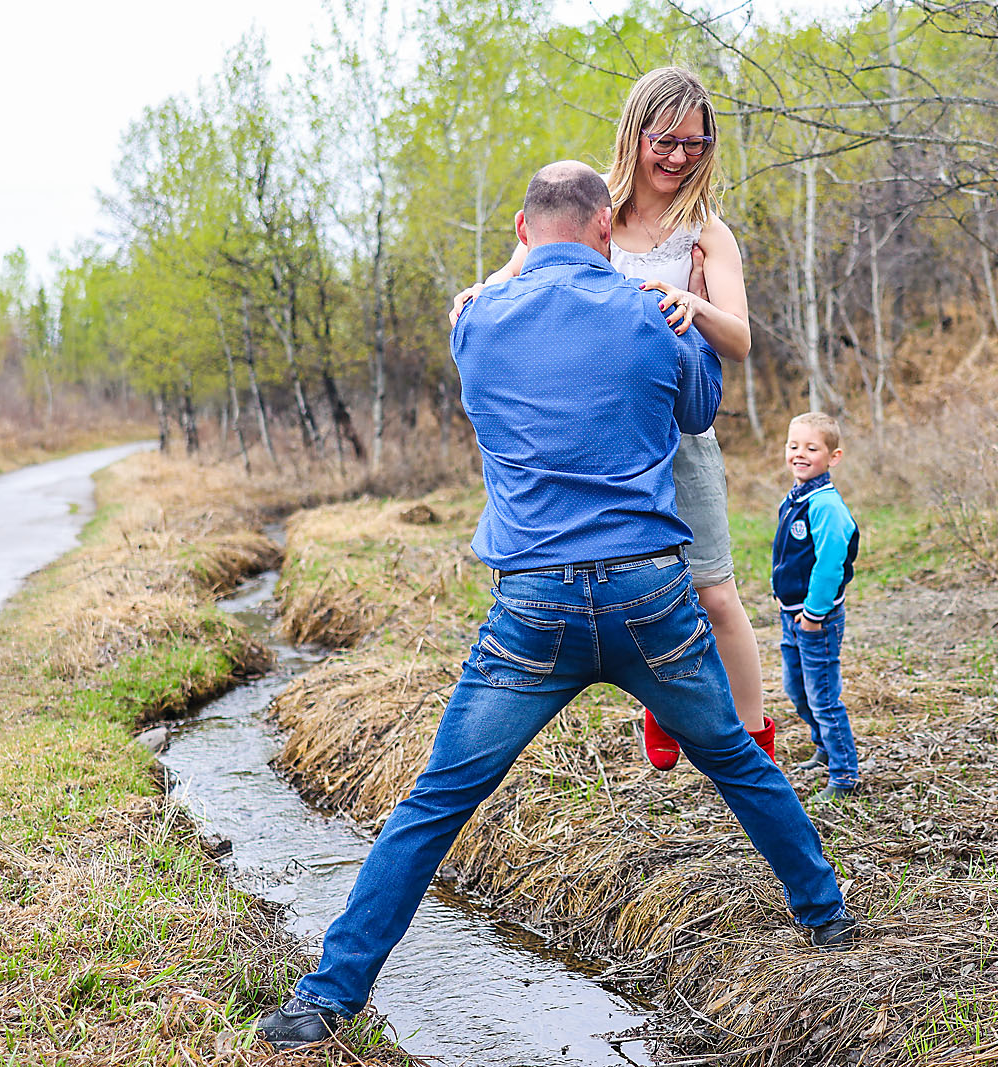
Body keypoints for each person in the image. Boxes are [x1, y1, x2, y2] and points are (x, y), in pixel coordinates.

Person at [257, 161, 854, 1050]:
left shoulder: (476, 325)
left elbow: (491, 329)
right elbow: (698, 406)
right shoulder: (650, 315)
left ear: (524, 233)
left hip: (533, 608)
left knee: (434, 803)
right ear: (606, 232)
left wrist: (503, 274)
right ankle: (824, 910)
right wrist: (681, 312)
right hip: (649, 593)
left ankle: (327, 997)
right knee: (731, 751)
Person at [449, 66, 772, 772]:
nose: (680, 156)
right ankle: (665, 703)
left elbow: (741, 340)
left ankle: (754, 747)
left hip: (679, 434)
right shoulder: (591, 208)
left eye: (695, 142)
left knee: (714, 592)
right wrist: (481, 291)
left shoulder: (705, 232)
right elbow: (520, 273)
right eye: (666, 140)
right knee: (641, 585)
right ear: (636, 134)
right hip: (601, 438)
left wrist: (692, 305)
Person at [773, 413, 861, 803]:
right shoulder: (796, 497)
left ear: (833, 456)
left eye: (811, 448)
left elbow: (830, 564)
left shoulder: (825, 505)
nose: (800, 454)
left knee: (824, 696)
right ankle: (823, 747)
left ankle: (844, 775)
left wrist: (813, 613)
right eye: (794, 446)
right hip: (791, 614)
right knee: (797, 689)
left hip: (815, 620)